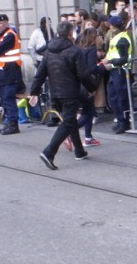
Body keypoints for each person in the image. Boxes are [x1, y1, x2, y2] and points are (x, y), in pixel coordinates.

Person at [28, 21, 96, 169]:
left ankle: (79, 151)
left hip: (55, 93)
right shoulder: (75, 51)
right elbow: (83, 74)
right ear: (71, 33)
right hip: (70, 92)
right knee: (67, 122)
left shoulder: (49, 51)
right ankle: (49, 152)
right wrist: (92, 88)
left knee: (68, 121)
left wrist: (34, 91)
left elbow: (40, 73)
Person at [0, 14, 22, 135]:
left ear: (7, 23)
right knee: (4, 98)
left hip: (9, 71)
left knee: (8, 98)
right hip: (3, 71)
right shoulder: (1, 35)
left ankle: (13, 124)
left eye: (2, 23)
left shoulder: (10, 35)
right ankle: (8, 123)